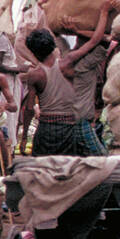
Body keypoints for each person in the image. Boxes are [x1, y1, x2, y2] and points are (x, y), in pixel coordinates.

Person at [22, 25, 110, 156]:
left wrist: (24, 137)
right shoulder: (68, 62)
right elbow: (94, 41)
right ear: (53, 47)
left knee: (42, 168)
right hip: (68, 127)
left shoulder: (34, 75)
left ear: (33, 53)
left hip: (46, 128)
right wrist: (103, 12)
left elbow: (29, 109)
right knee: (67, 168)